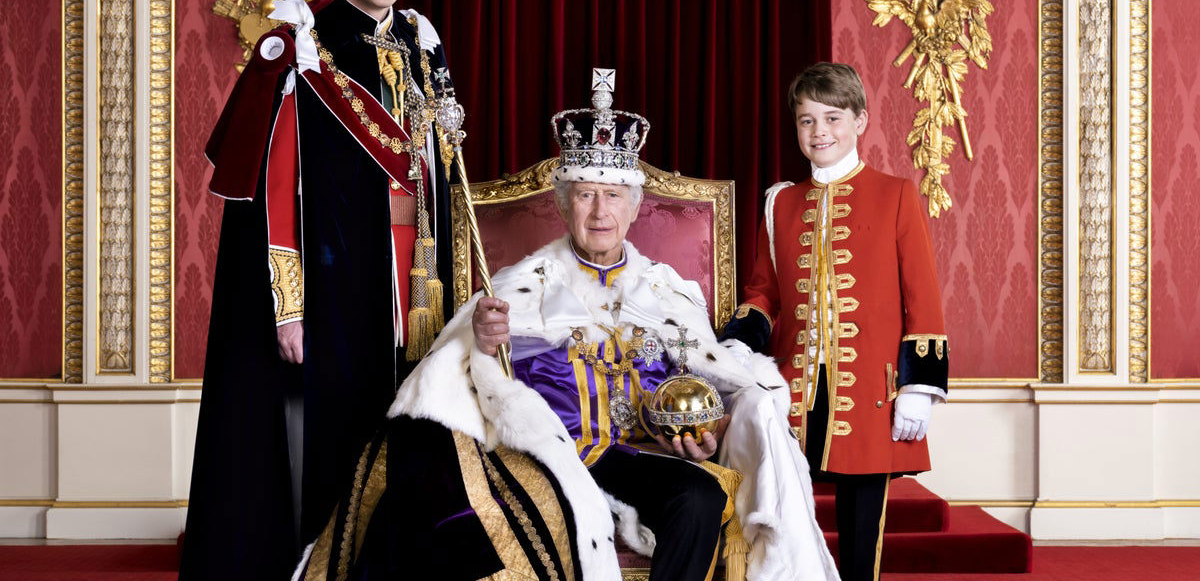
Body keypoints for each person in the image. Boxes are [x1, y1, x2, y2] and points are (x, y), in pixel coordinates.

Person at [296, 70, 839, 581]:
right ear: (564, 205)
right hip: (547, 456)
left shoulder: (669, 290)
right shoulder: (521, 284)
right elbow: (467, 377)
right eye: (585, 195)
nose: (599, 211)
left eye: (612, 196)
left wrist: (709, 430)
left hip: (631, 456)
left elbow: (710, 379)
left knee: (699, 498)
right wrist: (486, 346)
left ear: (633, 209)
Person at [181, 0, 458, 580]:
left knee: (414, 443)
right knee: (340, 449)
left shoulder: (423, 43)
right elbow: (275, 187)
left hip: (415, 279)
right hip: (336, 282)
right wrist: (288, 304)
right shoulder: (303, 40)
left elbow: (442, 178)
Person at [722, 62, 949, 581]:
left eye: (832, 118)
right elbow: (764, 291)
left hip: (870, 387)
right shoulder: (782, 203)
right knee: (787, 517)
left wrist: (920, 386)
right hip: (796, 387)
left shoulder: (896, 193)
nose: (819, 131)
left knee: (862, 520)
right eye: (806, 121)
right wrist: (740, 344)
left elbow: (923, 295)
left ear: (860, 121)